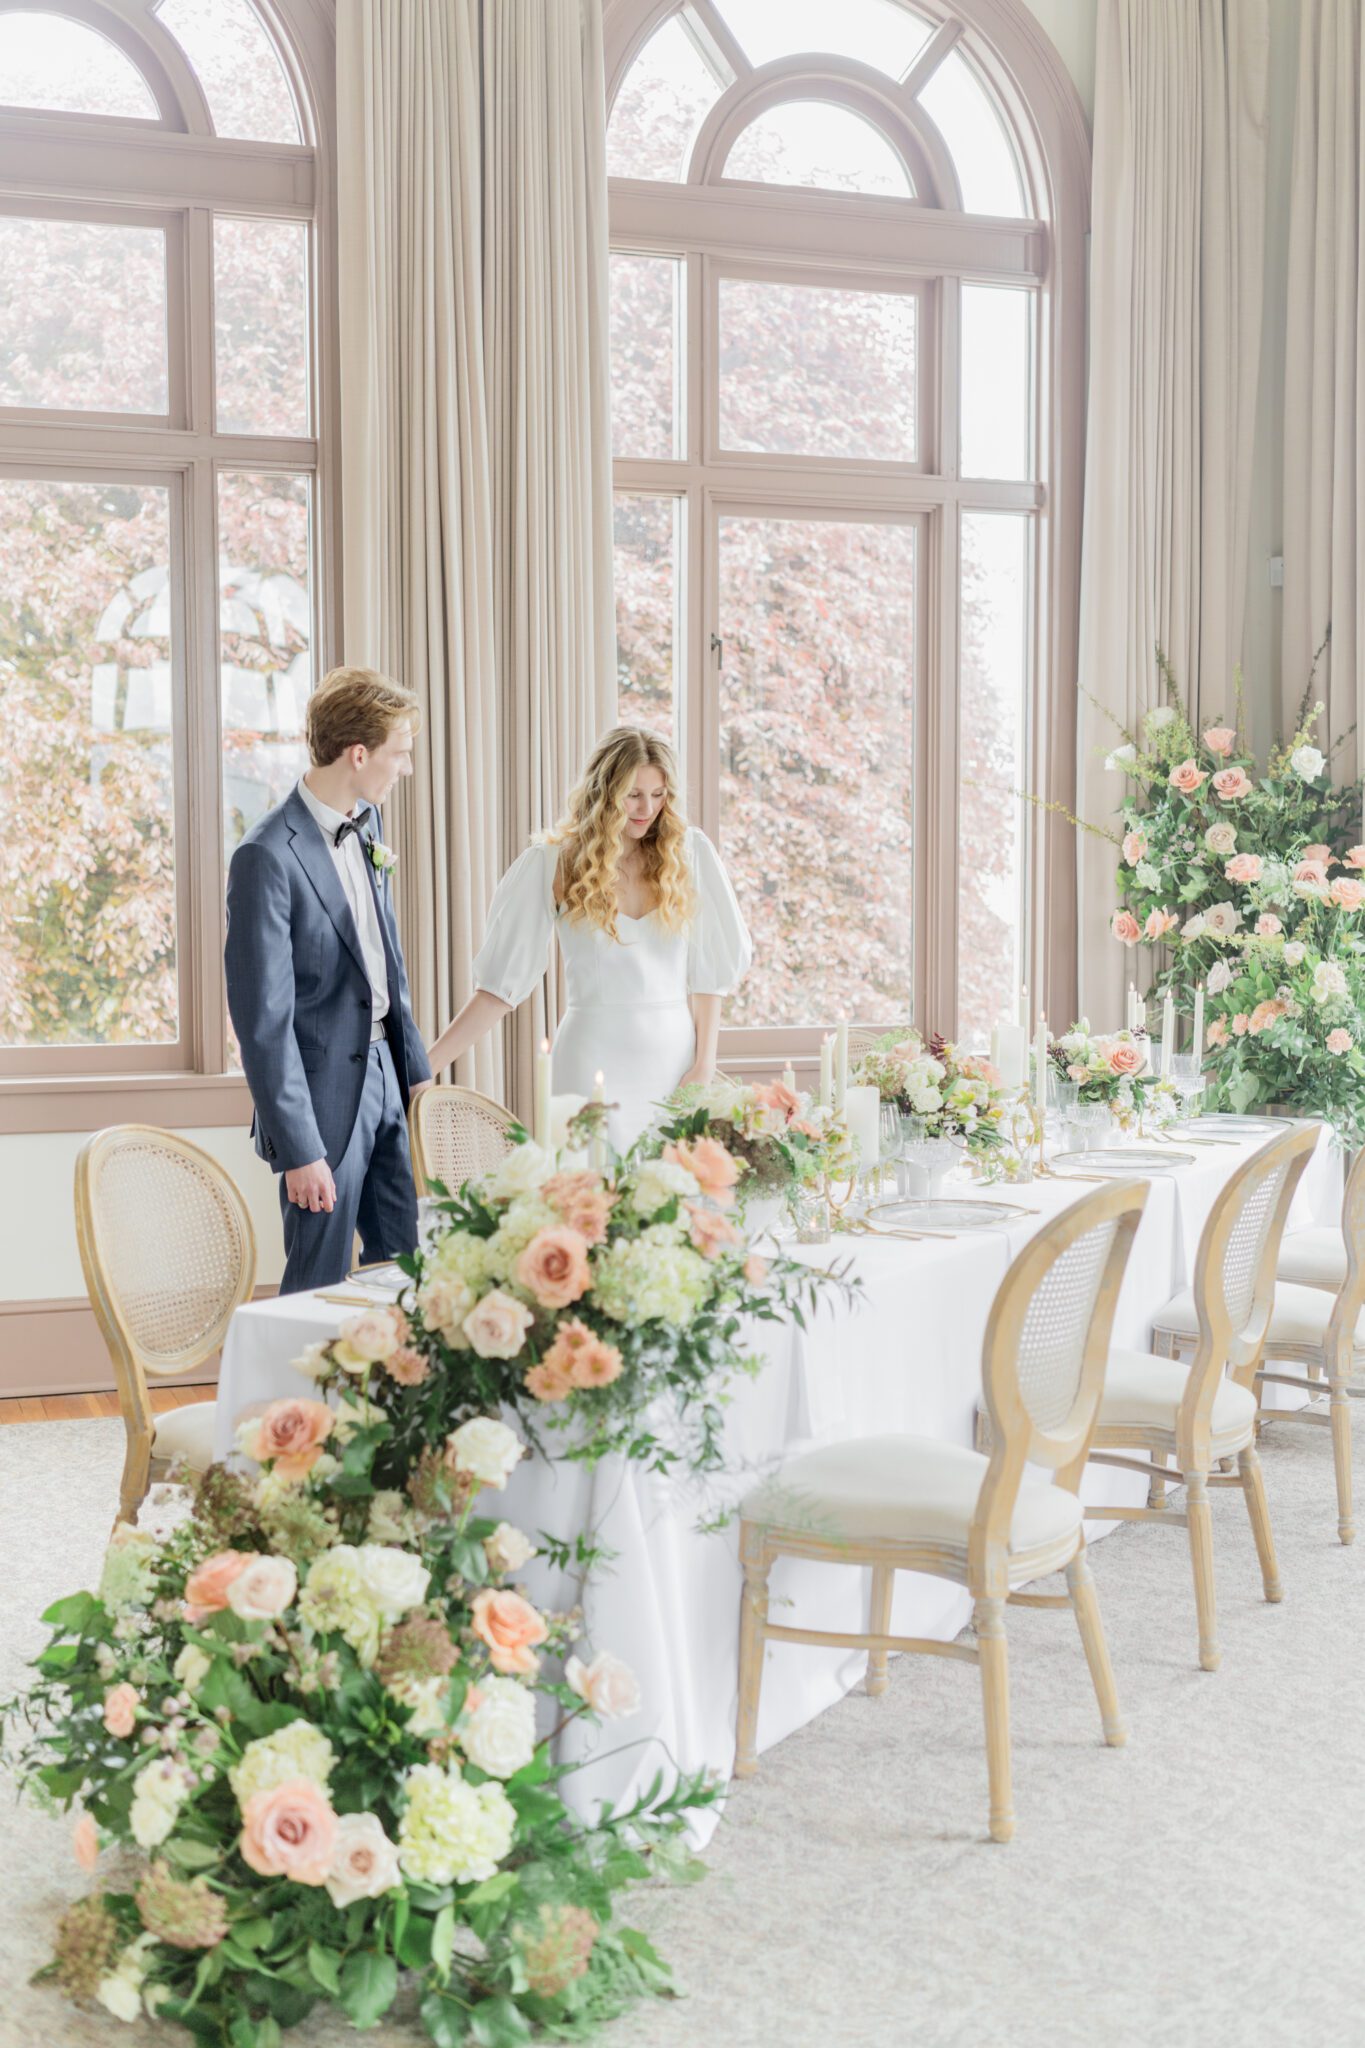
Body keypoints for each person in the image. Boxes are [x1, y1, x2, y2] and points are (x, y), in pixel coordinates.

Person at [426, 726, 751, 1152]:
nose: (646, 808)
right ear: (605, 790)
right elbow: (499, 990)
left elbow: (710, 977)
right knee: (587, 1205)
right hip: (589, 1061)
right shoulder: (552, 863)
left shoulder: (690, 854)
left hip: (676, 1065)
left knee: (676, 1202)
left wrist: (704, 1064)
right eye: (634, 794)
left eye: (658, 794)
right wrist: (424, 1065)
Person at [225, 665, 431, 1294]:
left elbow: (384, 965)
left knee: (406, 1272)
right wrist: (300, 1149)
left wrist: (416, 1081)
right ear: (359, 753)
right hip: (319, 1107)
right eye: (400, 753)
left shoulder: (368, 824)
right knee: (316, 1286)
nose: (407, 768)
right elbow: (263, 1024)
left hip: (385, 1082)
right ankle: (296, 1396)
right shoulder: (266, 856)